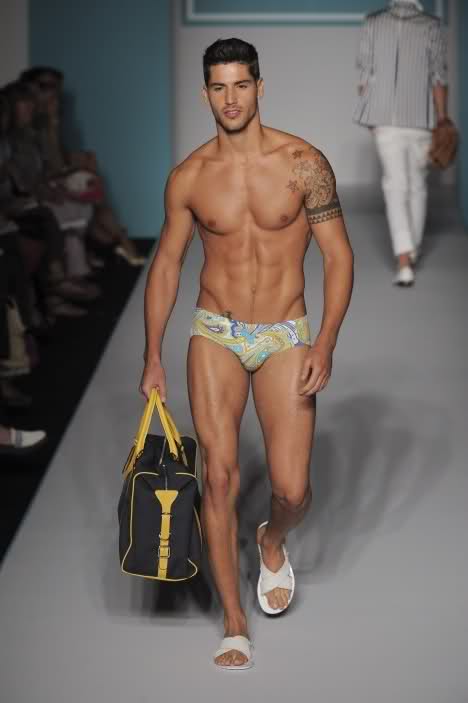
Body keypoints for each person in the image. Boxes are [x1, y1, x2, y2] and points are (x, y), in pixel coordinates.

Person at [140, 38, 354, 669]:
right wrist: (152, 354)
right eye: (218, 87)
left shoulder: (304, 163)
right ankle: (234, 622)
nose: (230, 98)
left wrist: (325, 341)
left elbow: (338, 256)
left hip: (285, 334)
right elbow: (168, 264)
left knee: (292, 490)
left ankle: (271, 538)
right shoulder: (189, 177)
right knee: (218, 477)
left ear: (260, 87)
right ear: (206, 93)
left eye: (240, 85)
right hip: (216, 332)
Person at [354, 0, 450, 287]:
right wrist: (442, 119)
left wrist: (369, 116)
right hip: (422, 118)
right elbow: (439, 77)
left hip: (384, 118)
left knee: (395, 186)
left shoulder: (373, 22)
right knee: (416, 186)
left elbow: (365, 76)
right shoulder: (432, 25)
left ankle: (404, 259)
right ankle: (411, 251)